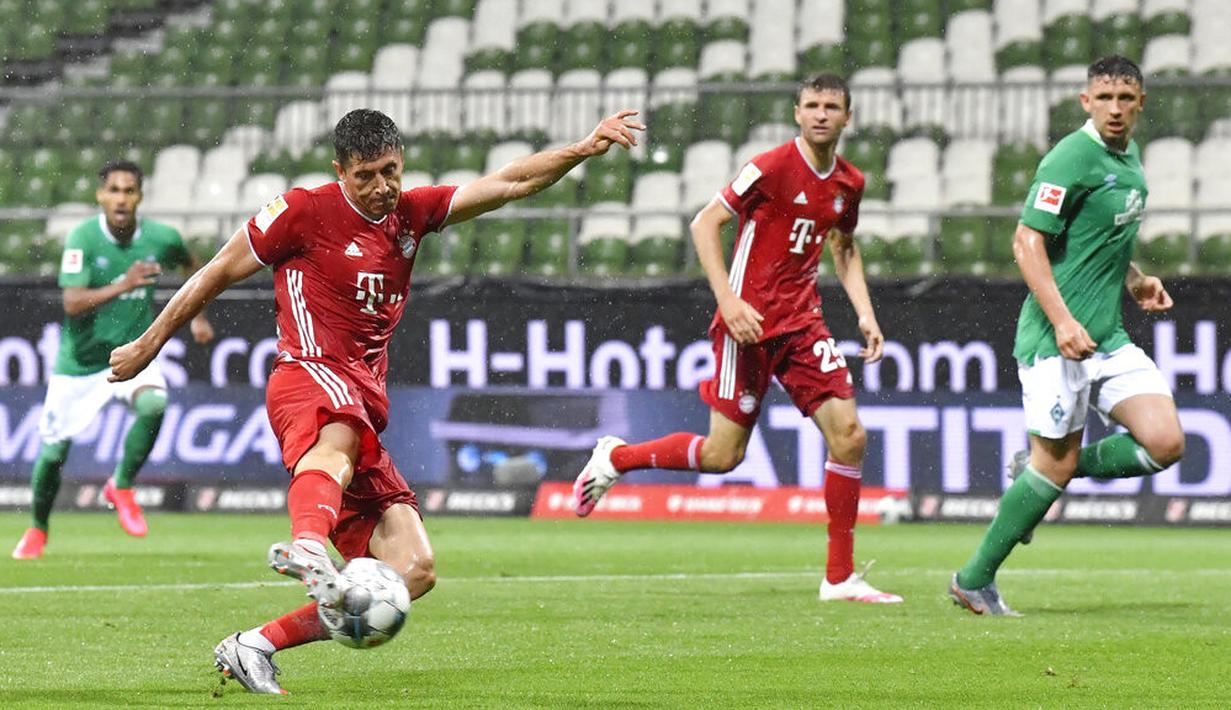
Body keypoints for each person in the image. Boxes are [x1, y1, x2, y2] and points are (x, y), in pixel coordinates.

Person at [109, 107, 644, 694]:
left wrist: (581, 148)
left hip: (363, 397)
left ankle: (255, 644)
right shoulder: (302, 211)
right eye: (365, 175)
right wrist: (149, 342)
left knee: (413, 570)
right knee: (339, 434)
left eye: (390, 171)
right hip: (308, 373)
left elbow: (510, 182)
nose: (381, 186)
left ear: (402, 162)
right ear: (340, 171)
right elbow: (215, 272)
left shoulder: (411, 213)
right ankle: (309, 544)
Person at [571, 74, 901, 604]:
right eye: (812, 105)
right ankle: (618, 458)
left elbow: (843, 246)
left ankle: (839, 578)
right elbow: (705, 223)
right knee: (723, 456)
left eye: (831, 106)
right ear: (797, 112)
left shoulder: (849, 183)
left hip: (803, 324)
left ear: (848, 116)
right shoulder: (770, 167)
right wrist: (728, 300)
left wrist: (866, 313)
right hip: (747, 325)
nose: (821, 114)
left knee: (850, 436)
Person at [949, 56, 1184, 616]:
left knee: (1165, 443)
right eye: (1104, 98)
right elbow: (1027, 241)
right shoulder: (1070, 156)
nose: (1114, 109)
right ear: (1086, 102)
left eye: (1125, 98)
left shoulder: (1129, 157)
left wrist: (1136, 278)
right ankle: (973, 579)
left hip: (1107, 336)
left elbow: (1097, 237)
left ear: (1141, 103)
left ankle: (1036, 471)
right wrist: (1061, 321)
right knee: (1053, 464)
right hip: (1054, 339)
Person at [10, 161, 214, 559]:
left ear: (140, 197)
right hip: (80, 364)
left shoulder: (161, 238)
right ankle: (38, 528)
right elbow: (72, 303)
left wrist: (200, 316)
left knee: (154, 404)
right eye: (114, 191)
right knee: (52, 454)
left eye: (129, 191)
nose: (121, 199)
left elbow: (196, 269)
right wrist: (125, 284)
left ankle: (120, 485)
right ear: (100, 196)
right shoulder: (83, 238)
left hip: (131, 354)